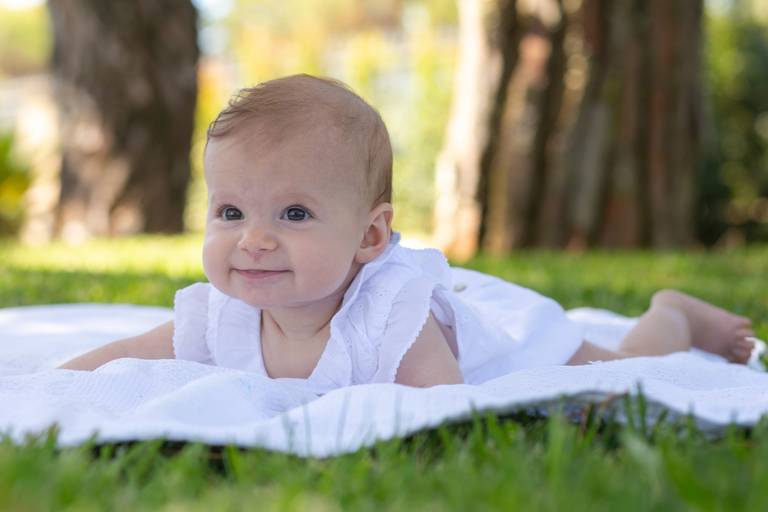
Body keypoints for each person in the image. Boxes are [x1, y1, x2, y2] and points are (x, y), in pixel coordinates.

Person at [59, 74, 759, 392]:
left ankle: (671, 314)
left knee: (623, 375)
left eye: (294, 214)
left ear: (369, 237)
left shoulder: (392, 313)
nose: (254, 240)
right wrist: (52, 383)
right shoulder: (226, 311)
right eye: (231, 212)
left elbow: (442, 407)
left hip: (514, 343)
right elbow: (132, 353)